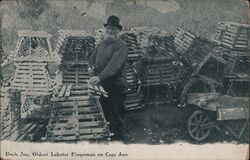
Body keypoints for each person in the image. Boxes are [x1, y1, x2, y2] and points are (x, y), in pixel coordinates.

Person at [89, 15, 128, 141]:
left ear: (118, 31)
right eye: (109, 29)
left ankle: (120, 143)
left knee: (116, 116)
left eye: (114, 29)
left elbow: (114, 66)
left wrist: (99, 77)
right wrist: (91, 69)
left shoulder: (121, 46)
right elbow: (92, 59)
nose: (111, 31)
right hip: (103, 86)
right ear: (106, 30)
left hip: (116, 87)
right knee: (104, 114)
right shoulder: (101, 44)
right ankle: (107, 141)